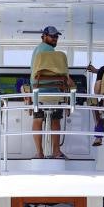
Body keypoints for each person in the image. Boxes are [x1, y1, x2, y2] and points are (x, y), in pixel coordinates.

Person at [31, 26, 73, 159]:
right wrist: (73, 87)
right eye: (52, 36)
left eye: (56, 36)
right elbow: (66, 78)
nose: (55, 39)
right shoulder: (57, 55)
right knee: (55, 120)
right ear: (43, 36)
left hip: (39, 93)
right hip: (55, 94)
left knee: (38, 119)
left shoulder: (37, 51)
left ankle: (39, 153)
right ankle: (56, 152)